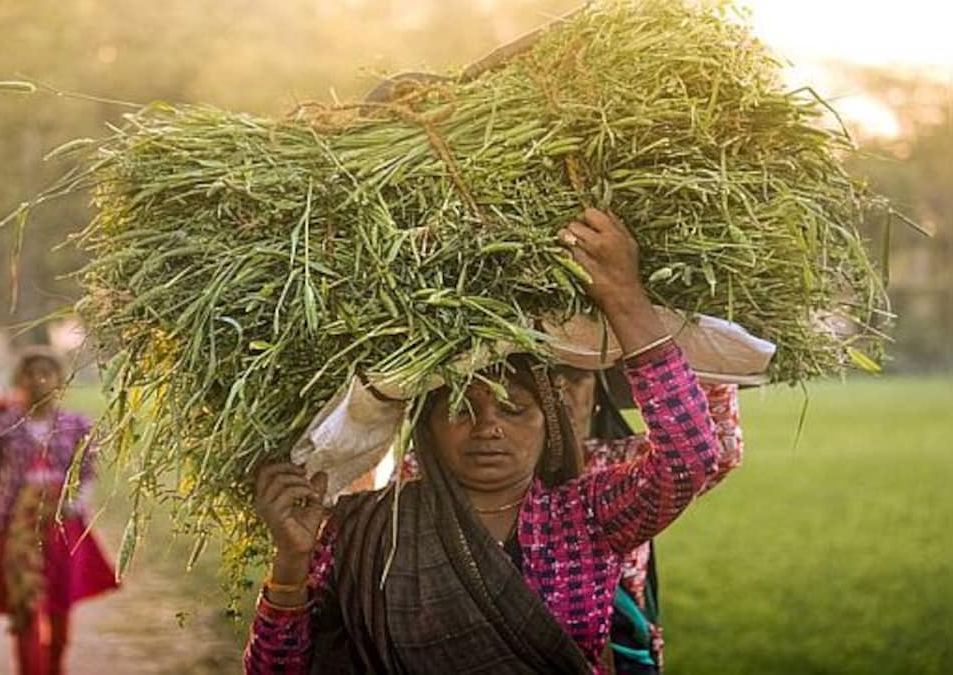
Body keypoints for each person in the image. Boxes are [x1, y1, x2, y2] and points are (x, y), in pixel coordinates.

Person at [244, 209, 737, 674]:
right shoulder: (362, 529)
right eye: (460, 408)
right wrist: (290, 563)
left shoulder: (586, 516)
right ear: (426, 428)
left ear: (550, 423)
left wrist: (624, 296)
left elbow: (689, 457)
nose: (488, 427)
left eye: (513, 407)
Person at [0, 347, 118, 675]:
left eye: (48, 373)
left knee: (59, 607)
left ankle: (56, 667)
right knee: (25, 609)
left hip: (60, 528)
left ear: (61, 381)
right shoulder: (3, 426)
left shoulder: (76, 426)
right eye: (31, 373)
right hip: (15, 531)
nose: (39, 380)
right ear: (20, 380)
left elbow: (86, 474)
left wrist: (74, 503)